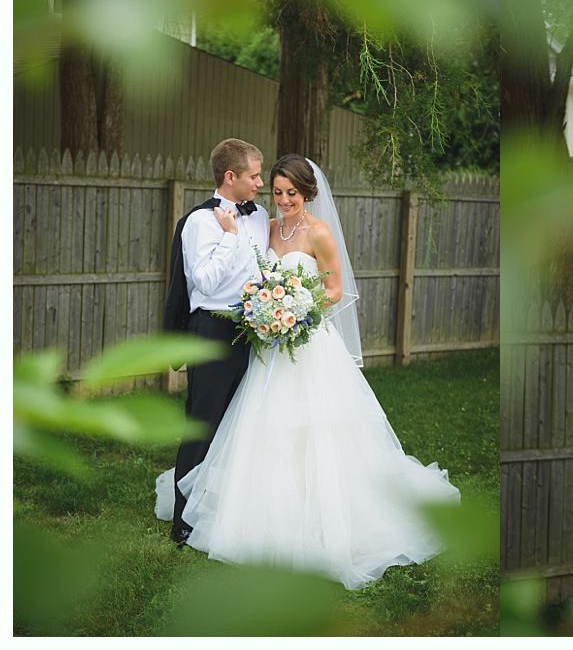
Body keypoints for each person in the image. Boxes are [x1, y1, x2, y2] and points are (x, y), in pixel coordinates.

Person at [155, 155, 460, 589]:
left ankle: (323, 514)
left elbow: (335, 288)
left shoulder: (319, 232)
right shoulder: (265, 225)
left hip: (308, 344)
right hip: (266, 346)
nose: (282, 201)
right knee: (255, 427)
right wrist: (268, 310)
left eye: (290, 194)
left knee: (316, 429)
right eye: (276, 192)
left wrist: (297, 309)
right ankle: (255, 511)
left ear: (308, 193)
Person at [162, 137, 269, 545]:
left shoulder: (259, 216)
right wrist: (228, 236)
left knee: (237, 426)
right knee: (202, 424)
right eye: (254, 175)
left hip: (252, 330)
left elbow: (264, 266)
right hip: (211, 330)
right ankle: (183, 519)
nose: (260, 182)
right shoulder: (200, 222)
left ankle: (223, 511)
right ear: (231, 177)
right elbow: (201, 282)